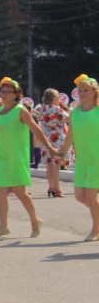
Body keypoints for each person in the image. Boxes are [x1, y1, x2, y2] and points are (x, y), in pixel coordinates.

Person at [0, 78, 58, 239]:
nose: (3, 95)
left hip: (17, 157)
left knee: (20, 191)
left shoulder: (21, 111)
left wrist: (49, 147)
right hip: (2, 157)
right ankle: (3, 226)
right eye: (2, 92)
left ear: (16, 94)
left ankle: (35, 221)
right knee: (1, 192)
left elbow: (36, 129)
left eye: (7, 92)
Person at [59, 75, 99, 241]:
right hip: (82, 160)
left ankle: (95, 230)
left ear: (95, 92)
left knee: (90, 195)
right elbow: (71, 135)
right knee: (80, 196)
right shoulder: (75, 112)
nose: (82, 93)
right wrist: (63, 152)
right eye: (80, 90)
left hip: (97, 159)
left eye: (86, 90)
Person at [39, 88, 73, 197]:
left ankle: (51, 187)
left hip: (47, 136)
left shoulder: (43, 109)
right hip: (57, 136)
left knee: (50, 164)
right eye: (58, 96)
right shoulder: (57, 109)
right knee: (56, 164)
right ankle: (57, 189)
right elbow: (68, 119)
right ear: (54, 98)